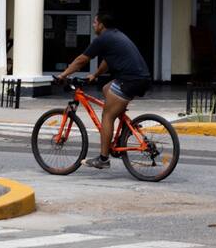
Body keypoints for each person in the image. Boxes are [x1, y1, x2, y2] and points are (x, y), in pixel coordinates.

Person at [55, 12, 151, 170]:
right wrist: (95, 75)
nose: (93, 25)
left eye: (94, 22)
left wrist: (63, 75)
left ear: (101, 25)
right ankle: (120, 121)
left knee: (107, 115)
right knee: (107, 88)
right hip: (140, 79)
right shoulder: (115, 36)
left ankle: (103, 159)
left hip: (129, 80)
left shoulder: (103, 38)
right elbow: (107, 60)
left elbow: (81, 60)